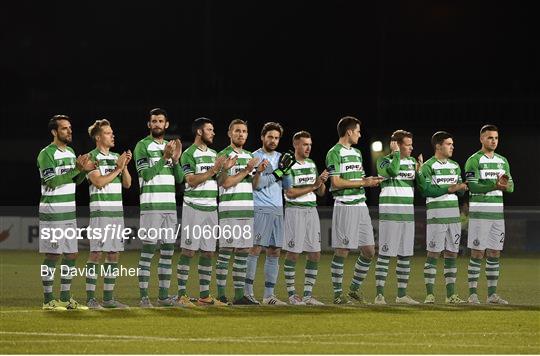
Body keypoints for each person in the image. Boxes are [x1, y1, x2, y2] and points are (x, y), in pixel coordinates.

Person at [38, 115, 94, 310]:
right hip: (53, 211)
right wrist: (76, 169)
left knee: (71, 254)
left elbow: (74, 182)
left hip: (69, 211)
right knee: (53, 255)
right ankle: (47, 300)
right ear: (54, 132)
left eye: (70, 128)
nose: (69, 131)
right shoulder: (46, 154)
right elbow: (51, 182)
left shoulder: (70, 152)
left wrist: (84, 171)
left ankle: (64, 298)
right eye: (64, 129)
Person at [325, 116, 383, 304]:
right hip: (345, 205)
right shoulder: (334, 152)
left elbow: (359, 178)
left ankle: (353, 290)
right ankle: (337, 295)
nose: (359, 134)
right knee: (342, 250)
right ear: (349, 132)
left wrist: (370, 181)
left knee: (369, 251)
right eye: (357, 131)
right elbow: (336, 182)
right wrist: (363, 182)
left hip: (361, 205)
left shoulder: (357, 153)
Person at [134, 108, 183, 307]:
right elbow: (145, 175)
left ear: (166, 125)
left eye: (160, 121)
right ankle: (144, 297)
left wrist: (176, 160)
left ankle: (163, 297)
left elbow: (180, 179)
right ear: (149, 125)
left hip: (169, 206)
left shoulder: (170, 148)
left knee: (168, 252)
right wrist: (164, 157)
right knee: (148, 251)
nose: (157, 124)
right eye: (153, 121)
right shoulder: (142, 145)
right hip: (151, 206)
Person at [177, 117, 229, 306]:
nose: (213, 133)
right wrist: (214, 168)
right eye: (209, 129)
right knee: (189, 251)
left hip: (211, 208)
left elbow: (220, 180)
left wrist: (223, 169)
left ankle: (205, 296)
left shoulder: (215, 153)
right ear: (199, 132)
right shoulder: (188, 153)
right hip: (194, 207)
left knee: (208, 252)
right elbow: (190, 180)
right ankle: (181, 295)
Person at [244, 122, 294, 305]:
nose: (273, 141)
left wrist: (286, 171)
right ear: (262, 137)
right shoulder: (254, 157)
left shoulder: (282, 157)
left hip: (277, 209)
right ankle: (247, 292)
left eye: (276, 138)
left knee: (274, 251)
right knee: (255, 248)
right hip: (260, 207)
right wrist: (278, 172)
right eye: (270, 137)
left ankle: (268, 296)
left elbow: (288, 187)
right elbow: (256, 185)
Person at [84, 119, 132, 309]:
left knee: (113, 255)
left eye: (112, 133)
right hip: (100, 213)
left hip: (116, 213)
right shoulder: (90, 158)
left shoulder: (115, 157)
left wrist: (125, 166)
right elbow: (98, 182)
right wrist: (118, 168)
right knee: (96, 253)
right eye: (108, 133)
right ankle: (90, 298)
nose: (113, 136)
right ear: (98, 137)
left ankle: (109, 299)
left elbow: (127, 184)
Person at [215, 119, 262, 305]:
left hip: (246, 210)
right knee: (226, 252)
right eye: (237, 131)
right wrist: (247, 170)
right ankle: (220, 294)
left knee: (242, 252)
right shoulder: (223, 155)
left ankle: (240, 295)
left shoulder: (249, 155)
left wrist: (257, 173)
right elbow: (224, 183)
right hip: (229, 211)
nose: (240, 134)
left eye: (243, 131)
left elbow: (254, 186)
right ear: (229, 134)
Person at [465, 124, 514, 304]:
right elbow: (473, 185)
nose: (493, 141)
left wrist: (504, 185)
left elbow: (511, 186)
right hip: (480, 214)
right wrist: (494, 185)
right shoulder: (473, 160)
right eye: (490, 137)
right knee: (477, 253)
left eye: (496, 138)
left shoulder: (503, 161)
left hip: (497, 215)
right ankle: (472, 294)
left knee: (494, 253)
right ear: (481, 139)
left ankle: (492, 294)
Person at [418, 131, 468, 304]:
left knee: (452, 254)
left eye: (452, 144)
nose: (452, 146)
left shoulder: (455, 165)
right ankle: (430, 294)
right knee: (433, 254)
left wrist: (461, 187)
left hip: (453, 217)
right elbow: (425, 191)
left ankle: (450, 295)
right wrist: (450, 188)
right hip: (436, 216)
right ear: (438, 146)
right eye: (449, 144)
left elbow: (460, 190)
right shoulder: (428, 166)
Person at [373, 130, 422, 305]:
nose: (411, 148)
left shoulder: (411, 162)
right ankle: (379, 295)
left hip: (407, 214)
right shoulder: (383, 161)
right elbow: (393, 172)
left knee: (405, 255)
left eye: (411, 144)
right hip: (390, 214)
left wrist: (421, 171)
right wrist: (394, 154)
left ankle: (401, 295)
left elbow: (421, 187)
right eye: (408, 145)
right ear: (397, 145)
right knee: (385, 254)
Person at [282, 131, 328, 305]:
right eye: (304, 144)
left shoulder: (311, 163)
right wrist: (313, 185)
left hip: (311, 210)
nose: (308, 147)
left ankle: (308, 296)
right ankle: (293, 295)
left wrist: (321, 182)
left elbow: (320, 192)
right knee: (293, 254)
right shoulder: (288, 166)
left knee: (315, 254)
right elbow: (290, 193)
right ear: (295, 145)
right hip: (295, 211)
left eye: (310, 144)